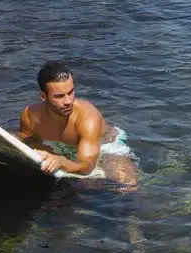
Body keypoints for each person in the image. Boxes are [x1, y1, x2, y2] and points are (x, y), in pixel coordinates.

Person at [17, 60, 138, 188]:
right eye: (59, 96)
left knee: (128, 186)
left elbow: (87, 167)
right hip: (64, 147)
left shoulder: (88, 118)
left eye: (70, 92)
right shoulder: (30, 116)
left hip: (105, 146)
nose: (68, 101)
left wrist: (61, 162)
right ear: (43, 96)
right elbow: (24, 139)